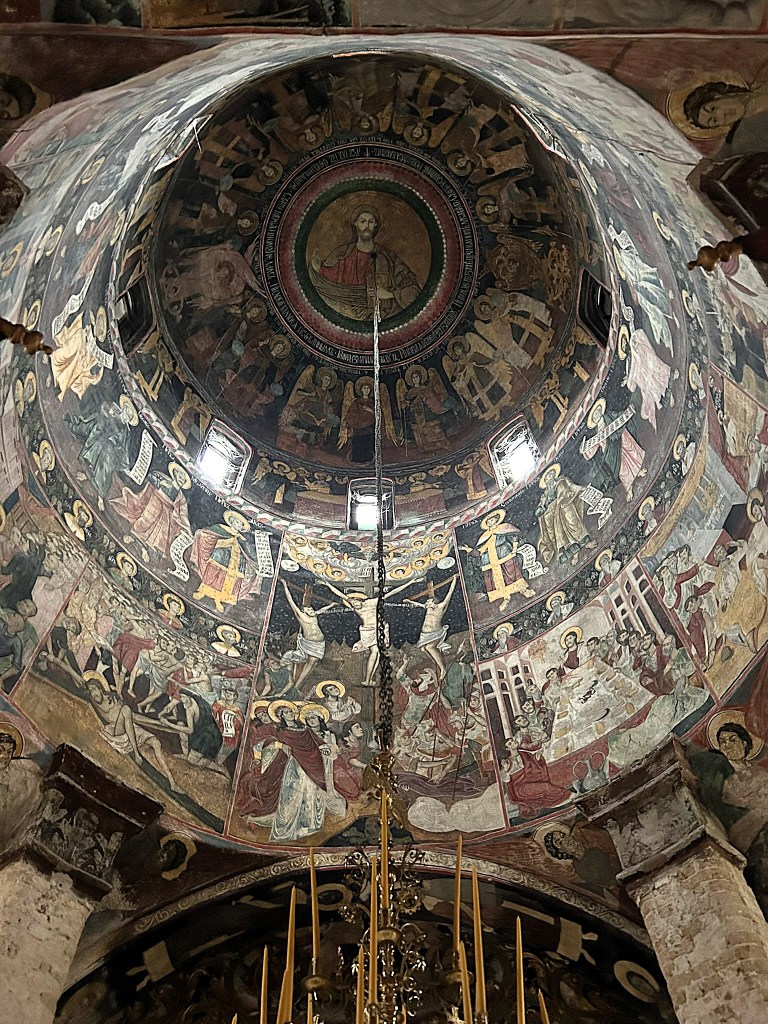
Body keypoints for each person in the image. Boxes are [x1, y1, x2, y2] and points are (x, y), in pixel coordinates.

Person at [309, 205, 420, 320]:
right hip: (345, 319)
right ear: (355, 224)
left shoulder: (389, 258)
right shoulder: (341, 254)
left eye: (370, 222)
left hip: (382, 319)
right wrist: (317, 269)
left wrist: (390, 295)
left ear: (376, 225)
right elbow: (324, 283)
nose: (367, 226)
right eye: (362, 221)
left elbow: (413, 290)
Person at [280, 580, 335, 688]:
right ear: (303, 611)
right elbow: (291, 601)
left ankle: (297, 686)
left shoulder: (314, 615)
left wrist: (331, 605)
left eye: (311, 609)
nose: (311, 610)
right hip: (309, 642)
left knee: (313, 662)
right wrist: (285, 586)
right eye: (308, 609)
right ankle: (293, 684)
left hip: (319, 644)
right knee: (309, 661)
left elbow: (322, 610)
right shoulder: (301, 615)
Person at [403, 577, 457, 679]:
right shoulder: (428, 608)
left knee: (429, 647)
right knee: (423, 649)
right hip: (425, 635)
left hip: (435, 632)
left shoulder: (441, 607)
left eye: (428, 602)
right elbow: (419, 604)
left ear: (434, 602)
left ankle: (443, 669)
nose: (426, 604)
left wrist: (454, 580)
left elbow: (450, 592)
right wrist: (409, 602)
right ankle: (435, 660)